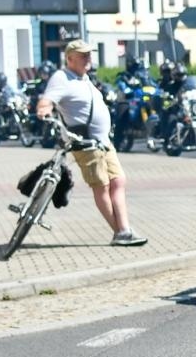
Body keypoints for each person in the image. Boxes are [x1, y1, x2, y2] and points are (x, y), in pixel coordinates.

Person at [35, 39, 146, 246]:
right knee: (101, 186)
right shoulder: (62, 78)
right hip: (84, 141)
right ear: (69, 58)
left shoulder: (84, 78)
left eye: (89, 54)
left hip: (103, 142)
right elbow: (47, 99)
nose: (88, 58)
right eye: (83, 55)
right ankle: (121, 231)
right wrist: (44, 108)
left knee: (118, 181)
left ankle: (124, 229)